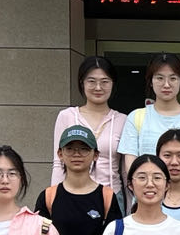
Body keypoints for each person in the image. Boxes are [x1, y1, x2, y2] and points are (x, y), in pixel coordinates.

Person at [118, 52, 180, 178]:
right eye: (160, 78)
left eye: (173, 78)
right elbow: (131, 166)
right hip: (146, 189)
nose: (166, 84)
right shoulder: (135, 117)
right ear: (151, 81)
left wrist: (177, 188)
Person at [50, 54, 127, 193]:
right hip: (73, 195)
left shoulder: (122, 120)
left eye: (105, 82)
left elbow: (125, 170)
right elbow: (58, 163)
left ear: (113, 83)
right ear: (82, 83)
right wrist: (54, 197)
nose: (98, 87)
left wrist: (130, 204)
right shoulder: (67, 116)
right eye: (91, 81)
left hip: (111, 195)